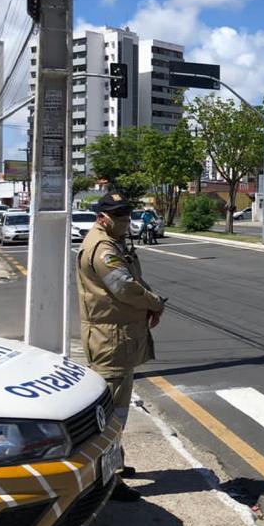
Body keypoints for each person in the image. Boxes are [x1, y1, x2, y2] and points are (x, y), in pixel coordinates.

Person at [77, 192, 166, 502]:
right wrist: (154, 303)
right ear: (104, 218)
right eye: (121, 217)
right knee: (113, 414)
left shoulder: (112, 241)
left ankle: (116, 461)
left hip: (117, 336)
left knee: (116, 408)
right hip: (110, 340)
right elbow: (124, 286)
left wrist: (152, 301)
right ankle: (109, 479)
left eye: (128, 216)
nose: (127, 222)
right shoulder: (103, 248)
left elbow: (133, 278)